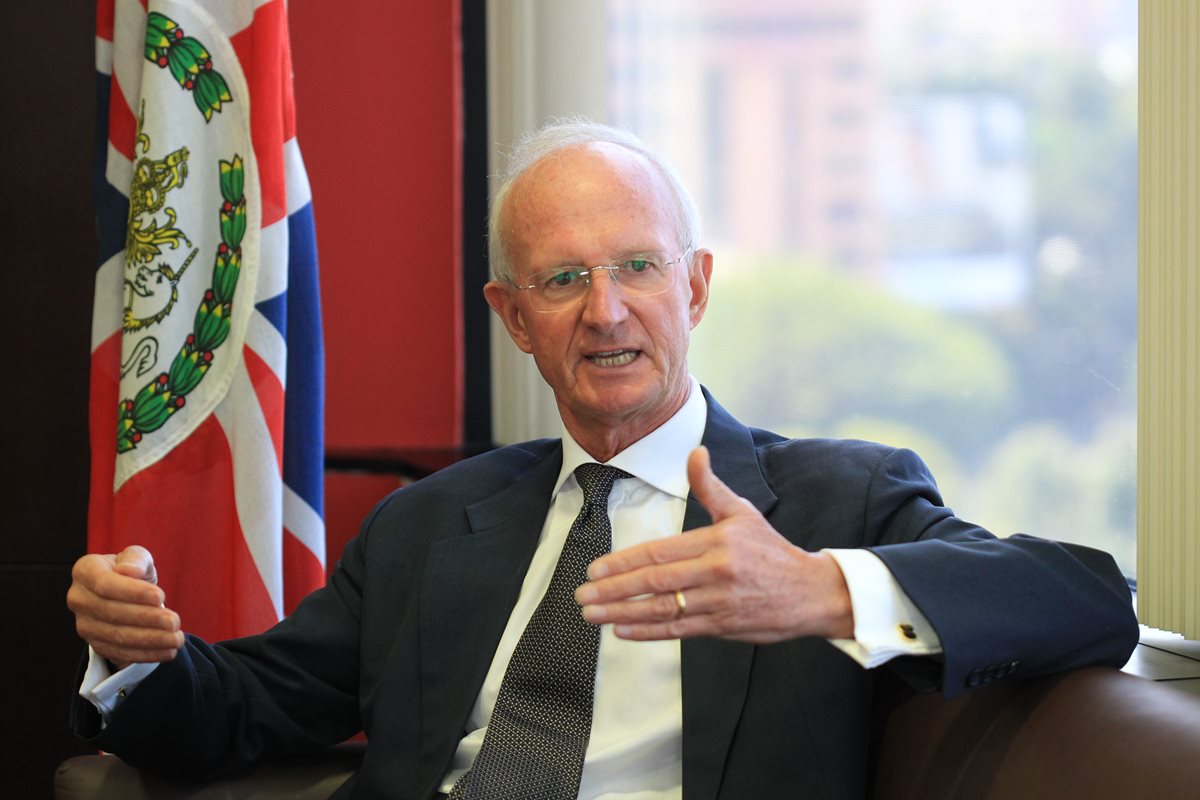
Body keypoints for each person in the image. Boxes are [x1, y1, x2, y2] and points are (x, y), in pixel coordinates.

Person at [68, 119, 1139, 799]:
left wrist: (817, 588)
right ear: (512, 317)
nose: (607, 310)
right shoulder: (428, 524)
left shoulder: (835, 500)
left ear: (696, 287)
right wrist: (140, 659)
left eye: (637, 266)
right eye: (562, 279)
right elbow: (244, 706)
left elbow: (1086, 598)